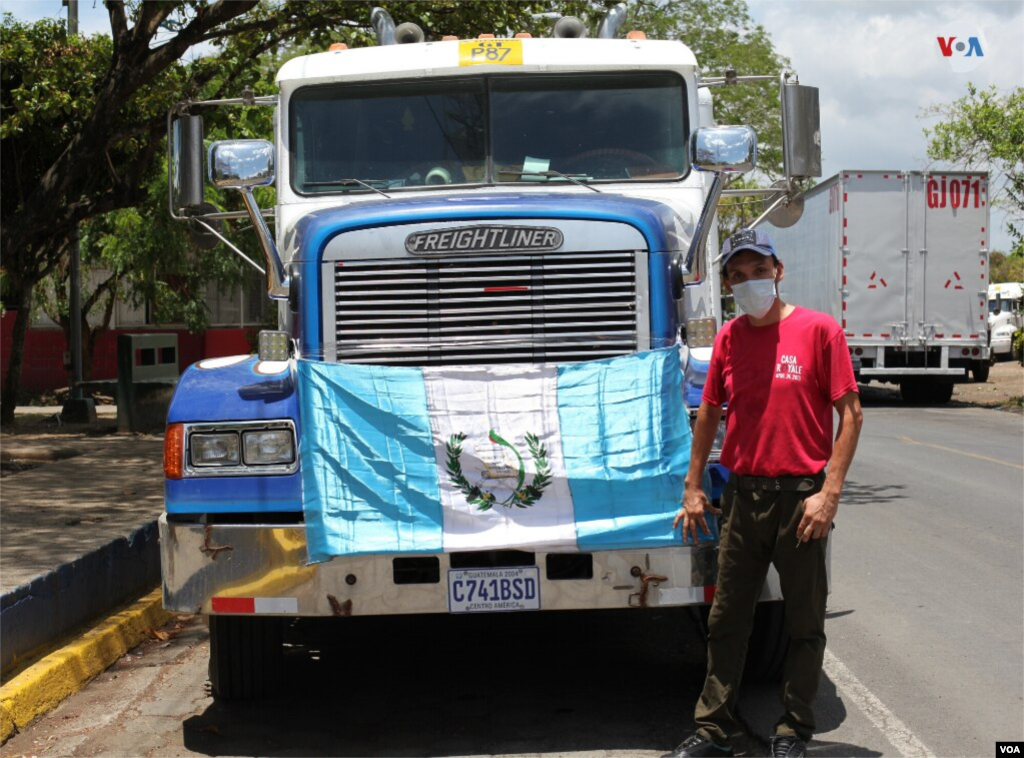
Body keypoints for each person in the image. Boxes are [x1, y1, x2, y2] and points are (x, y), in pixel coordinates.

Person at [664, 228, 863, 758]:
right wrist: (692, 486)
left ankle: (793, 727)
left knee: (803, 620)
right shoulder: (730, 337)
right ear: (727, 283)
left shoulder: (820, 332)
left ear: (778, 271)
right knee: (727, 617)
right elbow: (709, 412)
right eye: (737, 274)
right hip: (742, 497)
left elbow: (851, 415)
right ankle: (714, 728)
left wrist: (830, 494)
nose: (749, 281)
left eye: (758, 270)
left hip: (801, 497)